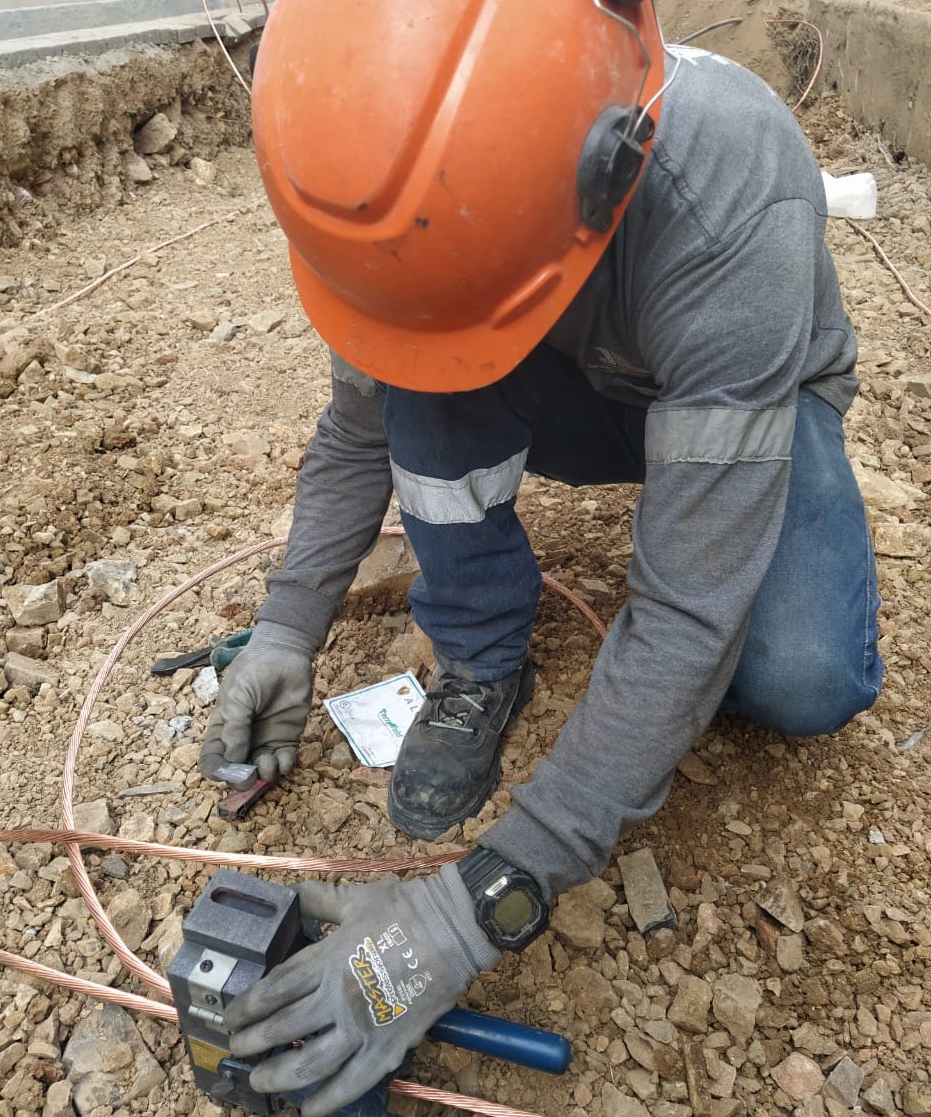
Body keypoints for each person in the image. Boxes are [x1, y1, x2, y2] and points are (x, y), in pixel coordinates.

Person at [197, 3, 883, 1114]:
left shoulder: (735, 195)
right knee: (424, 378)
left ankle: (719, 506)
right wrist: (285, 626)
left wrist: (464, 913)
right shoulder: (399, 188)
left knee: (798, 674)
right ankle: (480, 655)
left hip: (744, 393)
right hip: (559, 358)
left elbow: (685, 614)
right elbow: (359, 424)